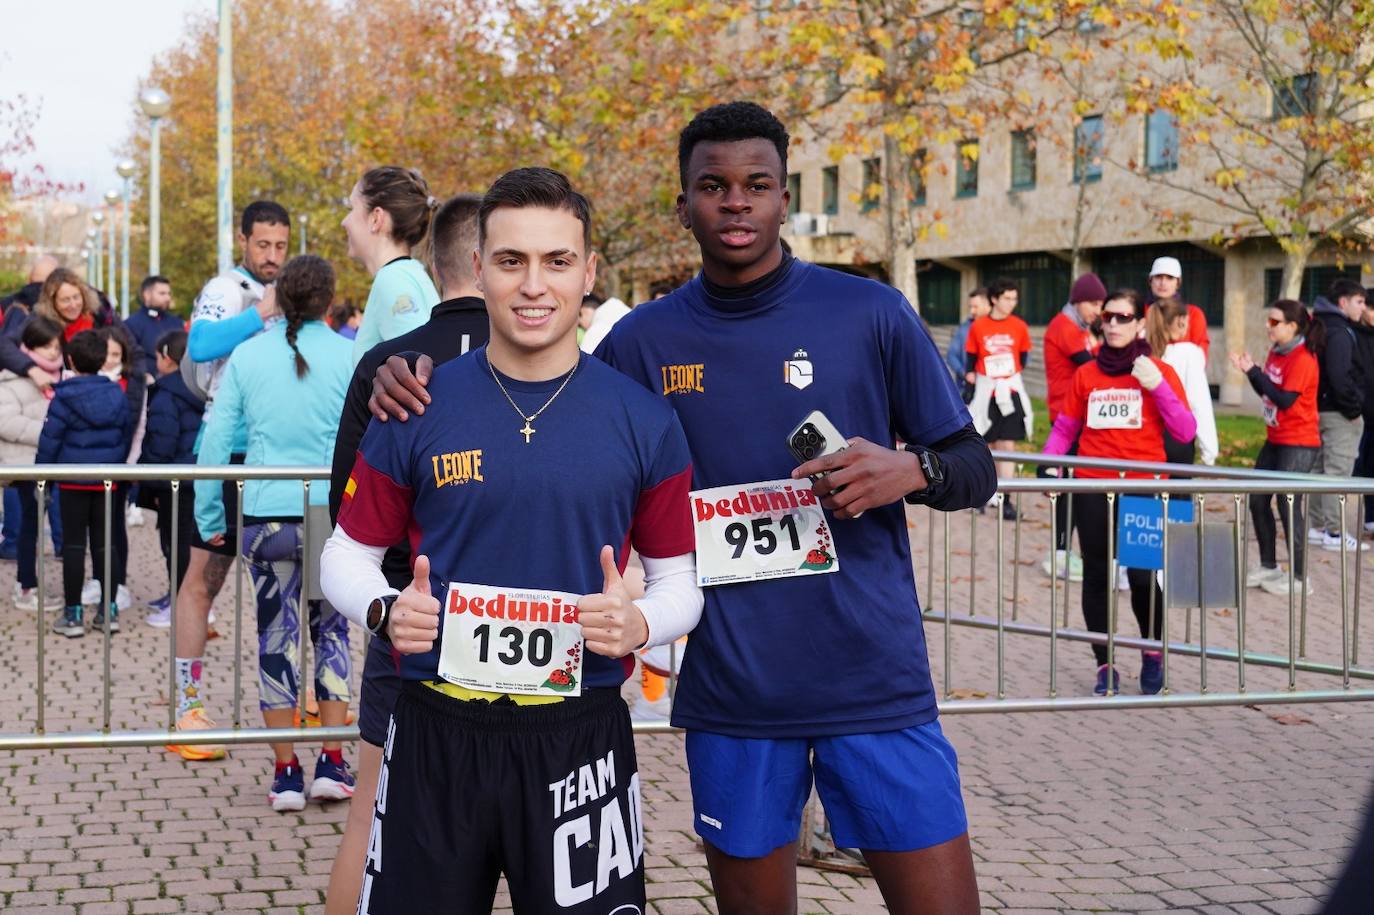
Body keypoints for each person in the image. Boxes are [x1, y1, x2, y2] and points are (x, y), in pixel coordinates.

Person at [369, 102, 993, 915]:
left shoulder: (869, 314)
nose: (736, 202)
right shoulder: (642, 344)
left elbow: (976, 467)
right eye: (714, 185)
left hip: (874, 681)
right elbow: (538, 392)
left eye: (757, 184)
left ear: (782, 197)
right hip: (735, 696)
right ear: (684, 205)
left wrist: (911, 468)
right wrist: (403, 375)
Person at [322, 167, 702, 914]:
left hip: (578, 736)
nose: (535, 285)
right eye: (511, 261)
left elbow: (680, 579)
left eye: (557, 261)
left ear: (588, 272)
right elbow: (344, 554)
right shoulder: (418, 403)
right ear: (479, 271)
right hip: (435, 725)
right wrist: (383, 610)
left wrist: (642, 624)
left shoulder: (644, 420)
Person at [322, 192, 488, 915]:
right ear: (490, 259)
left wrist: (389, 595)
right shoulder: (548, 363)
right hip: (512, 626)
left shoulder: (386, 362)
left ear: (438, 261)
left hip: (407, 622)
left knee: (371, 819)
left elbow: (346, 507)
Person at [195, 254, 354, 811]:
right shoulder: (349, 354)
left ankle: (286, 770)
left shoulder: (247, 355)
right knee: (331, 635)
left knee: (275, 642)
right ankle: (333, 760)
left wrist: (211, 517)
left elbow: (217, 443)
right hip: (329, 515)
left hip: (266, 515)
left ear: (277, 298)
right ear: (329, 301)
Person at [169, 200, 290, 761]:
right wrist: (261, 313)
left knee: (296, 587)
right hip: (224, 453)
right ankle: (185, 708)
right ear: (243, 240)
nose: (272, 256)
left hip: (274, 455)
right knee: (203, 580)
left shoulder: (285, 291)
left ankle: (307, 700)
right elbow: (199, 348)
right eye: (263, 245)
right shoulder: (227, 287)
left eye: (280, 247)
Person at [1042, 289, 1196, 696]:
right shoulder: (1086, 374)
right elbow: (1065, 427)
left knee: (1143, 579)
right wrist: (1049, 463)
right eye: (1107, 317)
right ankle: (1104, 663)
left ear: (1140, 323)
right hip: (1094, 486)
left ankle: (1151, 653)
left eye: (1122, 318)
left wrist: (1158, 385)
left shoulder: (1157, 371)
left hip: (1143, 490)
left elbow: (1185, 431)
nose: (1112, 324)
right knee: (1095, 576)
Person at [36, 329, 133, 637]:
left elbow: (50, 441)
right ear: (103, 358)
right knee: (107, 545)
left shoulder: (64, 396)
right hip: (108, 481)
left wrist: (43, 477)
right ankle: (108, 610)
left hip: (73, 481)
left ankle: (73, 613)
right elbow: (125, 435)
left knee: (74, 546)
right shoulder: (117, 392)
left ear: (70, 360)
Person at [1231, 300, 1323, 596]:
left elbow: (1285, 400)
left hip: (1299, 442)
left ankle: (1299, 578)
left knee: (1289, 504)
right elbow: (1266, 391)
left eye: (1274, 323)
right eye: (1268, 321)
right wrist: (1251, 372)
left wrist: (1256, 373)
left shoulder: (1303, 359)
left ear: (1292, 327)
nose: (1268, 327)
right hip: (1276, 438)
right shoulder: (1277, 353)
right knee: (1258, 500)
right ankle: (1268, 566)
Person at [1040, 272, 1105, 581]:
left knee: (1075, 485)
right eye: (1093, 303)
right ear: (1078, 301)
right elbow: (1090, 364)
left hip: (1079, 413)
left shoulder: (1079, 327)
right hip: (1066, 416)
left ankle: (1065, 551)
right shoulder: (1064, 326)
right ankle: (1060, 553)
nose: (1098, 310)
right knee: (1067, 487)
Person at [137, 330, 204, 624]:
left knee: (175, 543)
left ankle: (182, 605)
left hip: (174, 478)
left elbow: (161, 439)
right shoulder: (204, 387)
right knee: (188, 542)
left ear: (166, 356)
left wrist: (150, 477)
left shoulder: (166, 392)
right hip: (199, 475)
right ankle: (178, 596)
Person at [342, 166, 441, 362]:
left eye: (351, 209)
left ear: (376, 218)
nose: (344, 222)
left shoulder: (393, 280)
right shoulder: (405, 274)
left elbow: (419, 366)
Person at [0, 316, 64, 610]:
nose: (53, 352)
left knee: (37, 525)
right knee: (29, 526)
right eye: (46, 346)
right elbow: (6, 422)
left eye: (56, 345)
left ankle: (30, 584)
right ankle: (26, 586)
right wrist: (48, 434)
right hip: (25, 466)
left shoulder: (61, 377)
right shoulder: (10, 381)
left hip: (49, 464)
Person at [1309, 277, 1368, 552]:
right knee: (1337, 473)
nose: (1363, 307)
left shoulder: (1319, 324)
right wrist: (1354, 409)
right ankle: (1333, 532)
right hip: (1338, 413)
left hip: (1320, 409)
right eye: (1359, 302)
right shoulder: (1339, 331)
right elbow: (1339, 375)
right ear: (1343, 302)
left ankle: (1316, 526)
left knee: (1321, 470)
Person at [966, 277, 1032, 518]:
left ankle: (1006, 499)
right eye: (1007, 298)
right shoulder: (979, 326)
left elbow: (1023, 358)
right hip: (986, 392)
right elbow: (970, 359)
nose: (1011, 303)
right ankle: (985, 493)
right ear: (994, 299)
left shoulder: (1020, 326)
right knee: (986, 444)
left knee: (1008, 444)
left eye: (1015, 299)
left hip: (1009, 391)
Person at [1146, 296, 1218, 467]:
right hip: (1177, 433)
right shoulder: (1188, 353)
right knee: (1176, 492)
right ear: (1180, 321)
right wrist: (1209, 451)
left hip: (1148, 434)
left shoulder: (1144, 352)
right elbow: (1198, 401)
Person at [1145, 256, 1210, 358]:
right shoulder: (1139, 311)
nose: (1163, 283)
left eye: (1169, 278)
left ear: (1178, 283)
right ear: (1150, 280)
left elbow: (1200, 357)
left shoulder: (1193, 313)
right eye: (1158, 277)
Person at [123, 276, 182, 378]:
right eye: (162, 293)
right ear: (147, 295)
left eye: (169, 293)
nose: (168, 298)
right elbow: (130, 357)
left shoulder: (176, 323)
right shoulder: (131, 324)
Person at [945, 287, 991, 385]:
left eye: (975, 307)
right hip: (967, 388)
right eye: (970, 307)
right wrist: (965, 374)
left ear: (988, 306)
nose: (972, 311)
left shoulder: (1002, 328)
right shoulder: (963, 329)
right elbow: (951, 355)